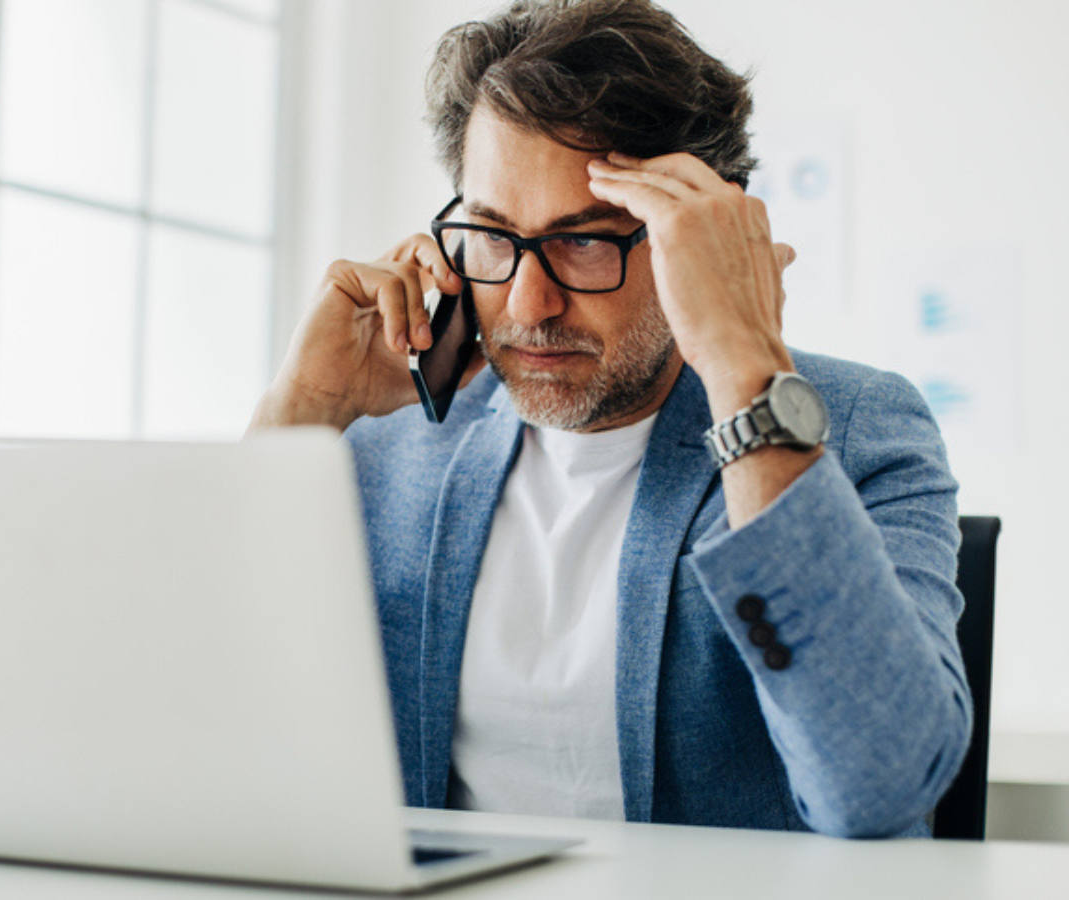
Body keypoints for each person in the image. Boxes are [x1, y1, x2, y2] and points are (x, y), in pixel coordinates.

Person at [248, 0, 970, 838]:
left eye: (585, 241)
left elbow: (878, 786)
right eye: (492, 235)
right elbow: (201, 726)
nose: (529, 303)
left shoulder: (854, 431)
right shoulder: (389, 443)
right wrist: (298, 416)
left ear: (701, 234)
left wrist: (743, 362)